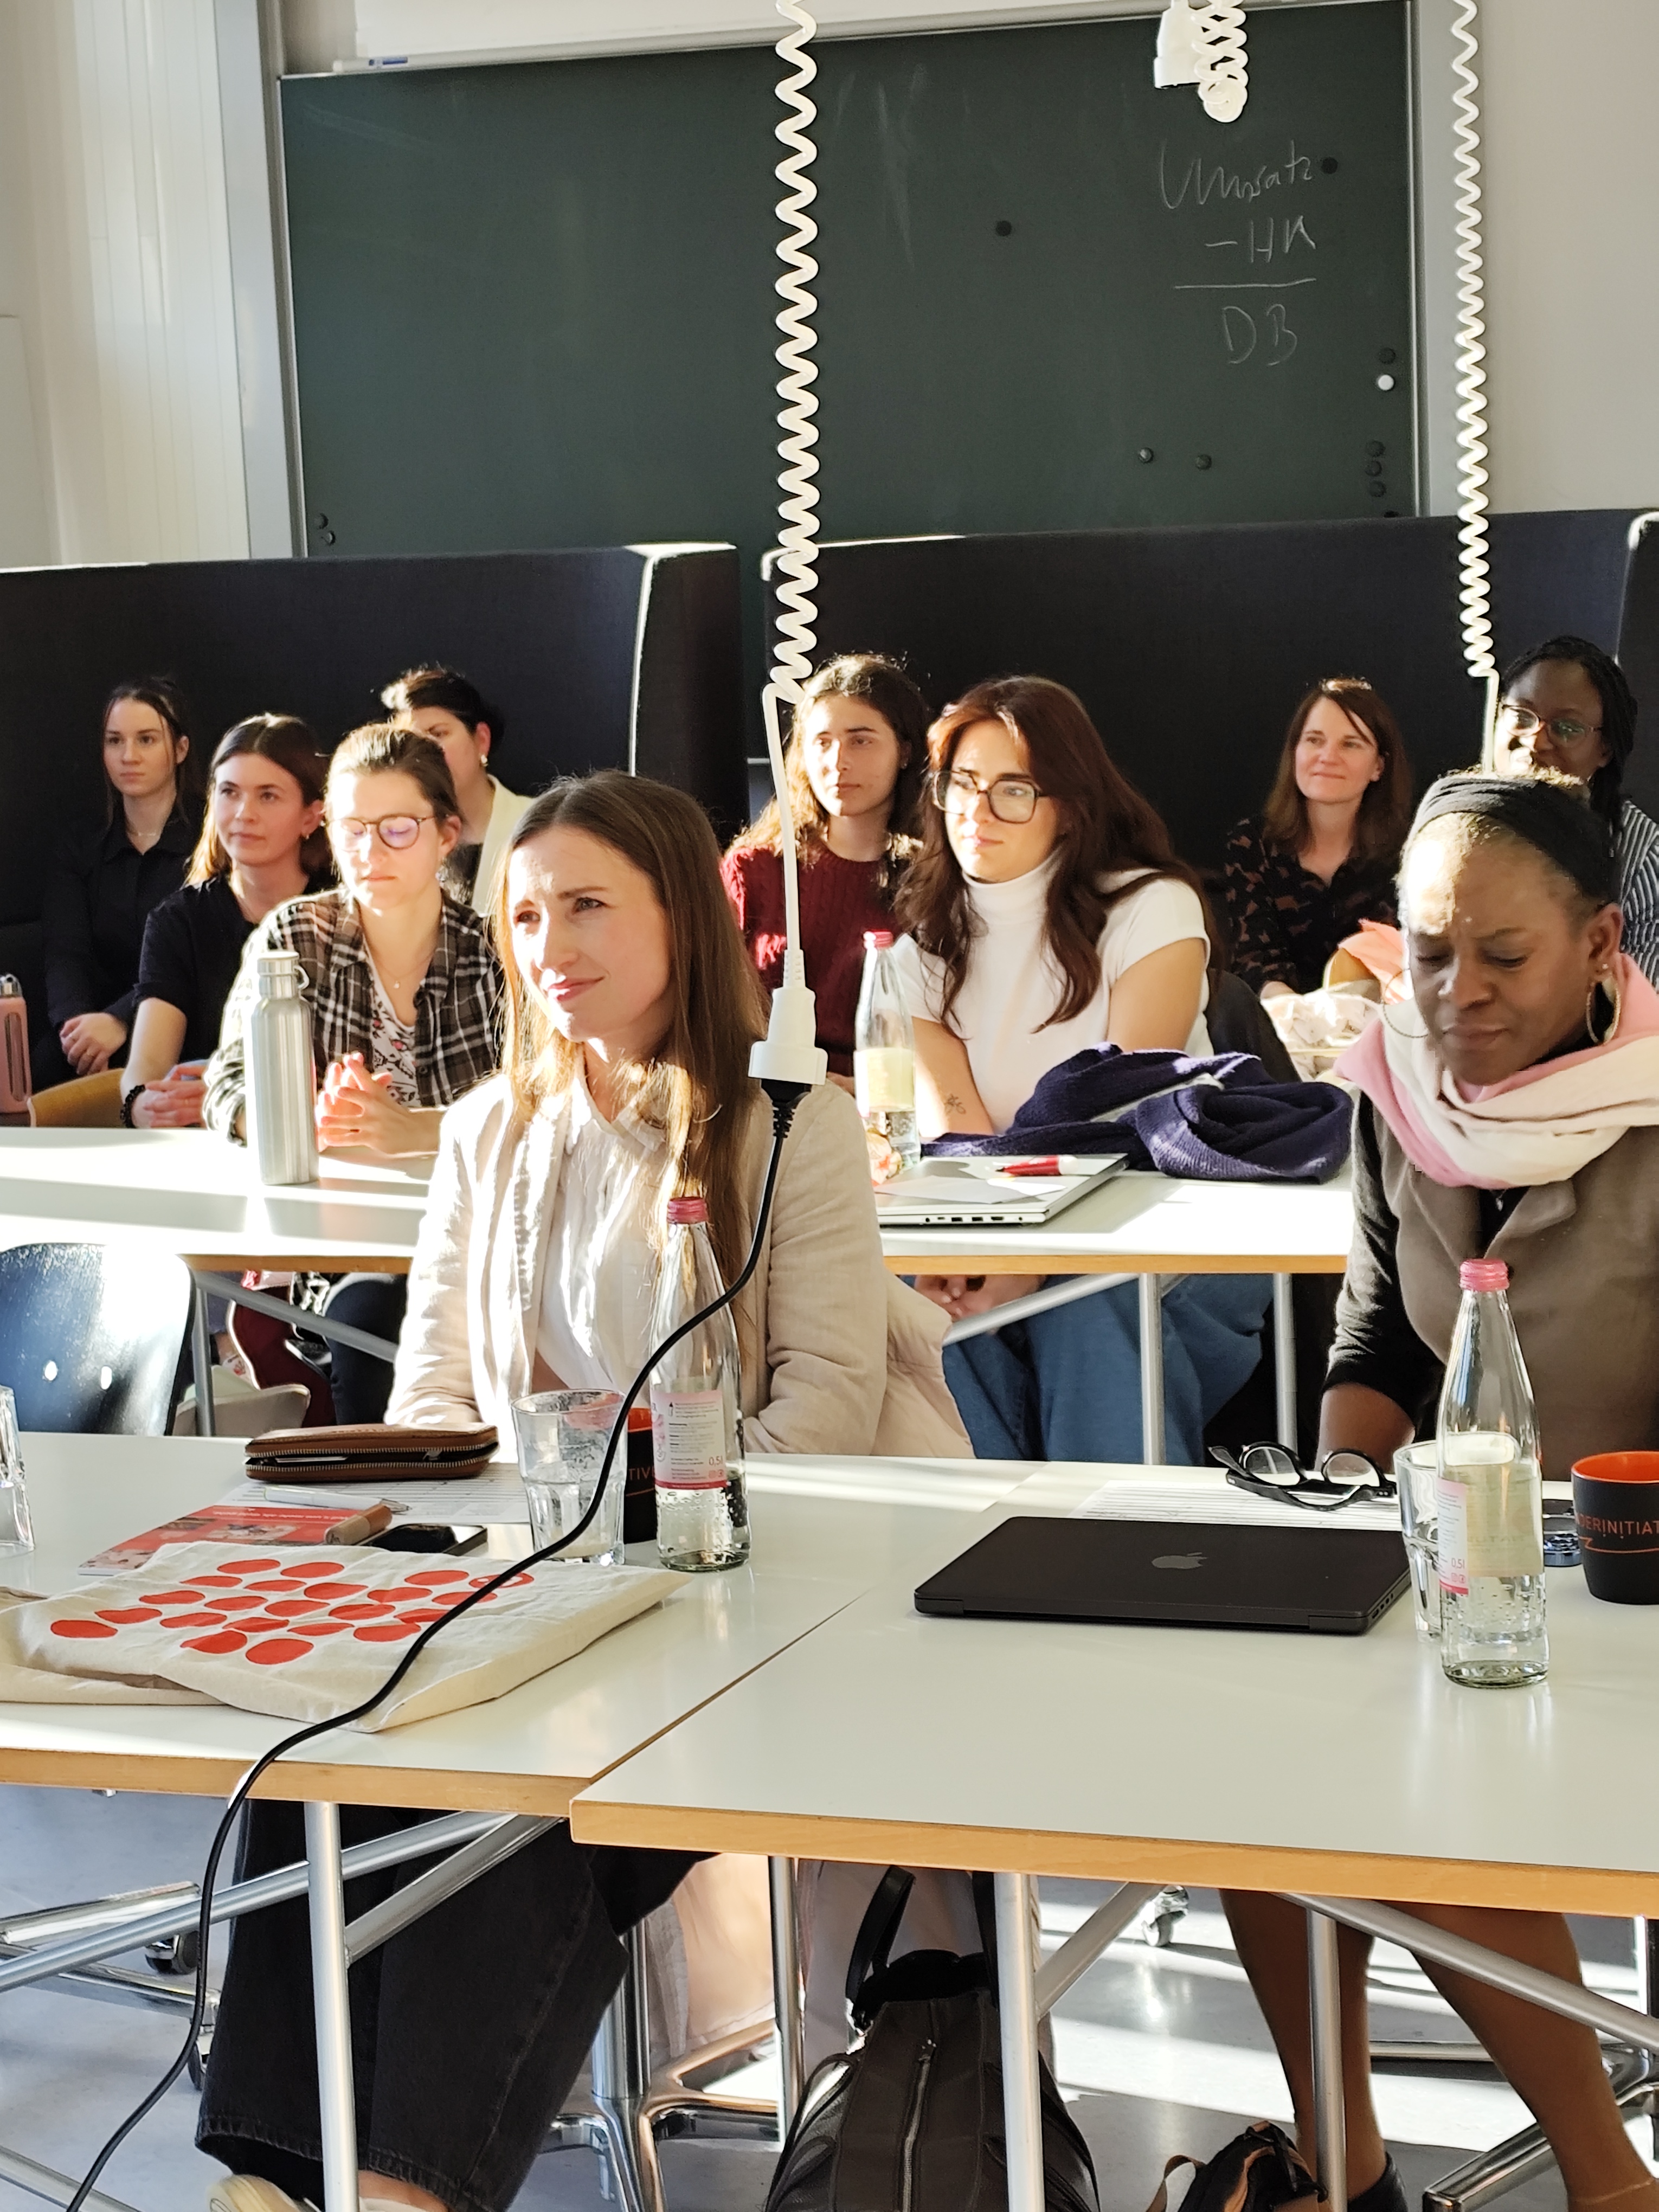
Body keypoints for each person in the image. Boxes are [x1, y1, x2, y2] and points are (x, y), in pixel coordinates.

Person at [197, 769, 966, 2212]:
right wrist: (521, 1553)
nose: (553, 941)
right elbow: (429, 1401)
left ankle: (394, 2193)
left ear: (682, 913)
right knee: (330, 1759)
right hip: (533, 1599)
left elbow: (821, 1423)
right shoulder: (491, 1134)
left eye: (590, 905)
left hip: (754, 1613)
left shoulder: (793, 1126)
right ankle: (275, 2189)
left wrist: (602, 1542)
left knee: (515, 1796)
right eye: (531, 911)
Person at [1225, 770, 1659, 2212]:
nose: (1455, 993)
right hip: (1468, 1570)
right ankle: (1340, 2162)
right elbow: (1372, 1343)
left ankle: (1605, 2183)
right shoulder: (1396, 1092)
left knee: (1410, 1789)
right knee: (1250, 1772)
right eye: (1423, 952)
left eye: (1504, 956)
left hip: (1630, 1585)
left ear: (1603, 945)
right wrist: (1337, 1503)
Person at [891, 673, 1269, 1462]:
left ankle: (1121, 1553)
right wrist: (986, 1266)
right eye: (960, 784)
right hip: (1013, 1230)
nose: (976, 811)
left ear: (1070, 803)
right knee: (916, 1307)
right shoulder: (921, 942)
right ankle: (1000, 1542)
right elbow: (962, 1138)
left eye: (1013, 791)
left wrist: (1033, 1267)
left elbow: (1124, 1107)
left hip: (1175, 1216)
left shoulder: (1151, 905)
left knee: (1085, 1303)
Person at [202, 724, 503, 1421]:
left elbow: (542, 1099)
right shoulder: (294, 935)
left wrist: (423, 1128)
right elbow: (226, 1085)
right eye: (351, 828)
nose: (369, 853)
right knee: (367, 1324)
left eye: (397, 829)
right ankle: (383, 1521)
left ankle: (426, 1520)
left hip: (475, 1239)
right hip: (339, 1245)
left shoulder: (492, 950)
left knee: (419, 1327)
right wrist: (288, 1118)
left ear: (446, 833)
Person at [722, 652, 928, 1078]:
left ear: (904, 751)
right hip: (768, 1099)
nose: (838, 762)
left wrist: (858, 1091)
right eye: (822, 741)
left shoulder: (935, 878)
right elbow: (712, 1013)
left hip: (888, 1104)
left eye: (861, 739)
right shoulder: (755, 871)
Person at [119, 717, 330, 1130]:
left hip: (321, 1136)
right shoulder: (177, 921)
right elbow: (144, 1069)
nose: (243, 814)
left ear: (311, 817)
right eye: (229, 793)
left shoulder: (343, 913)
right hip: (204, 1145)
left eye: (268, 796)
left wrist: (232, 1098)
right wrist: (142, 1103)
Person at [34, 677, 200, 1089]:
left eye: (146, 740)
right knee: (46, 1067)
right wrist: (77, 1030)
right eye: (114, 741)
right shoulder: (80, 843)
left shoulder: (211, 839)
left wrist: (121, 1019)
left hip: (183, 1020)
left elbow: (197, 962)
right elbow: (65, 953)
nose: (129, 756)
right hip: (93, 1027)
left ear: (180, 750)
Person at [1223, 675, 1412, 998]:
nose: (1327, 756)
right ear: (1294, 751)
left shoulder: (1411, 851)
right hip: (1280, 1026)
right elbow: (1256, 962)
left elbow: (1407, 967)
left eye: (1350, 744)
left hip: (1382, 1028)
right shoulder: (1251, 844)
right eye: (1314, 740)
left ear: (1379, 766)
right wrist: (1305, 1026)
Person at [1487, 633, 1659, 983]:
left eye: (1566, 728)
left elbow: (1644, 1009)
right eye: (1521, 716)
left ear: (1605, 750)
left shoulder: (1642, 859)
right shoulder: (1453, 826)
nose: (1535, 741)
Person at [381, 664, 532, 915]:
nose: (425, 752)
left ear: (482, 739)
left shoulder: (537, 823)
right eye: (411, 740)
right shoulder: (392, 833)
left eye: (437, 734)